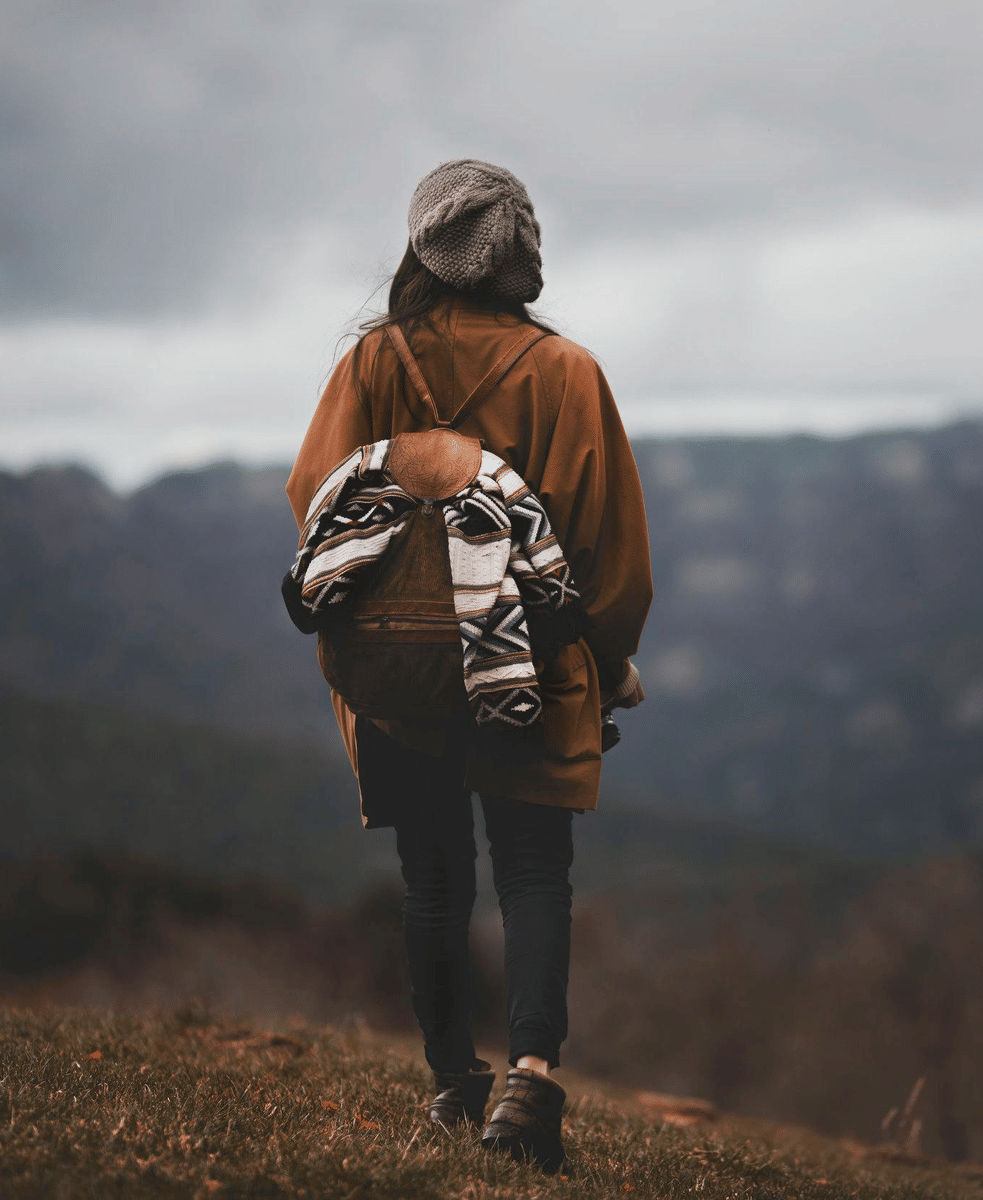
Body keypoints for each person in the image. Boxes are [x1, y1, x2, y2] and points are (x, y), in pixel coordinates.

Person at [285, 159, 652, 1174]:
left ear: (424, 250)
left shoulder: (370, 366)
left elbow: (315, 500)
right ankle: (530, 1079)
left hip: (399, 671)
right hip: (528, 662)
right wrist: (606, 663)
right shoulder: (566, 372)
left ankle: (455, 1081)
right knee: (535, 875)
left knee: (432, 880)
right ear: (519, 256)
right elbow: (610, 550)